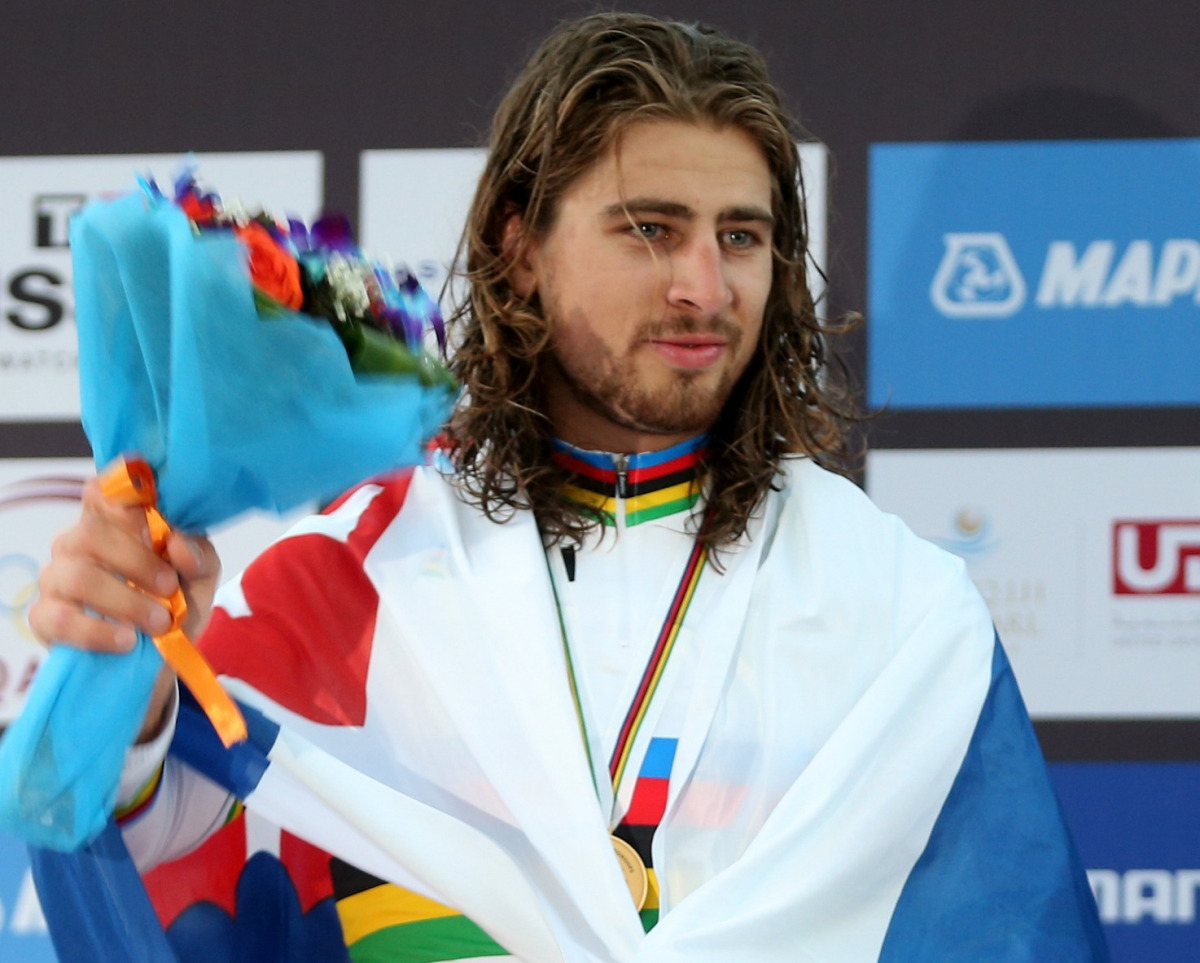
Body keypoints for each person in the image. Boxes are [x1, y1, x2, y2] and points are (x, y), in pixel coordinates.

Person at [30, 12, 1108, 962]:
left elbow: (1007, 932)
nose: (706, 285)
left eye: (742, 236)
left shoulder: (902, 608)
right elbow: (175, 859)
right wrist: (128, 692)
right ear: (521, 248)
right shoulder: (348, 575)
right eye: (650, 229)